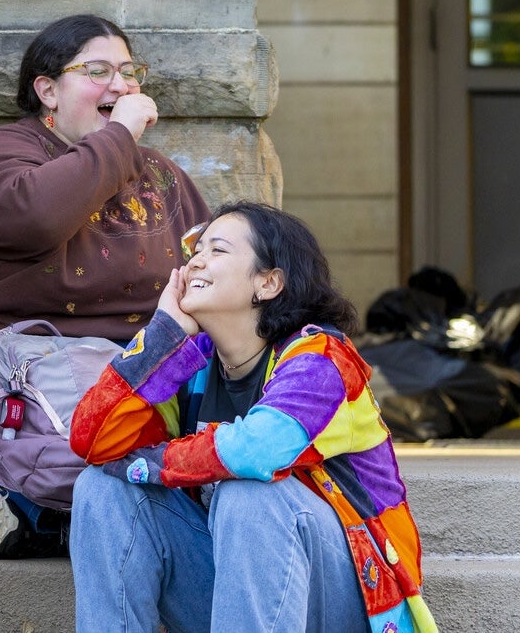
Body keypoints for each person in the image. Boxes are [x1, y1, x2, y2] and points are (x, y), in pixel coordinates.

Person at [0, 14, 211, 559]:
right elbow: (41, 217)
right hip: (14, 374)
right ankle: (59, 507)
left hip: (135, 372)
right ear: (47, 90)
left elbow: (209, 269)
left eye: (129, 72)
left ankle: (69, 510)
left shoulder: (161, 175)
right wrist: (120, 135)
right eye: (98, 71)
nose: (120, 86)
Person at [67, 203, 437, 633]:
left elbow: (259, 448)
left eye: (218, 250)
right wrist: (162, 334)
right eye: (195, 251)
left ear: (268, 282)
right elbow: (91, 439)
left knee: (249, 496)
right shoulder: (189, 366)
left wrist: (150, 462)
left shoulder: (321, 359)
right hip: (240, 595)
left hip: (347, 599)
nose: (196, 261)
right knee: (101, 489)